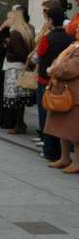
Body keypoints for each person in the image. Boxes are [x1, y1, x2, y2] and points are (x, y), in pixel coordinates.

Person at [34, 6, 74, 161]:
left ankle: (50, 150)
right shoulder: (69, 38)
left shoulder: (47, 38)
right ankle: (60, 151)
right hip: (63, 83)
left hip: (46, 81)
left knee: (46, 116)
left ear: (50, 21)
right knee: (60, 117)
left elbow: (38, 55)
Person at [45, 25, 79, 173]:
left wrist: (54, 69)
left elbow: (69, 68)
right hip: (65, 92)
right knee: (63, 129)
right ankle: (64, 158)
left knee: (74, 132)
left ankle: (77, 163)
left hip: (74, 95)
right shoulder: (74, 45)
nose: (76, 29)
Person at [2, 8, 35, 134]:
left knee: (15, 99)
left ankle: (18, 124)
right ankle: (19, 123)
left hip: (15, 67)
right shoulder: (26, 31)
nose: (9, 20)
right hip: (21, 67)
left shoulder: (15, 33)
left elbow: (19, 53)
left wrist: (9, 48)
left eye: (11, 17)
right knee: (19, 99)